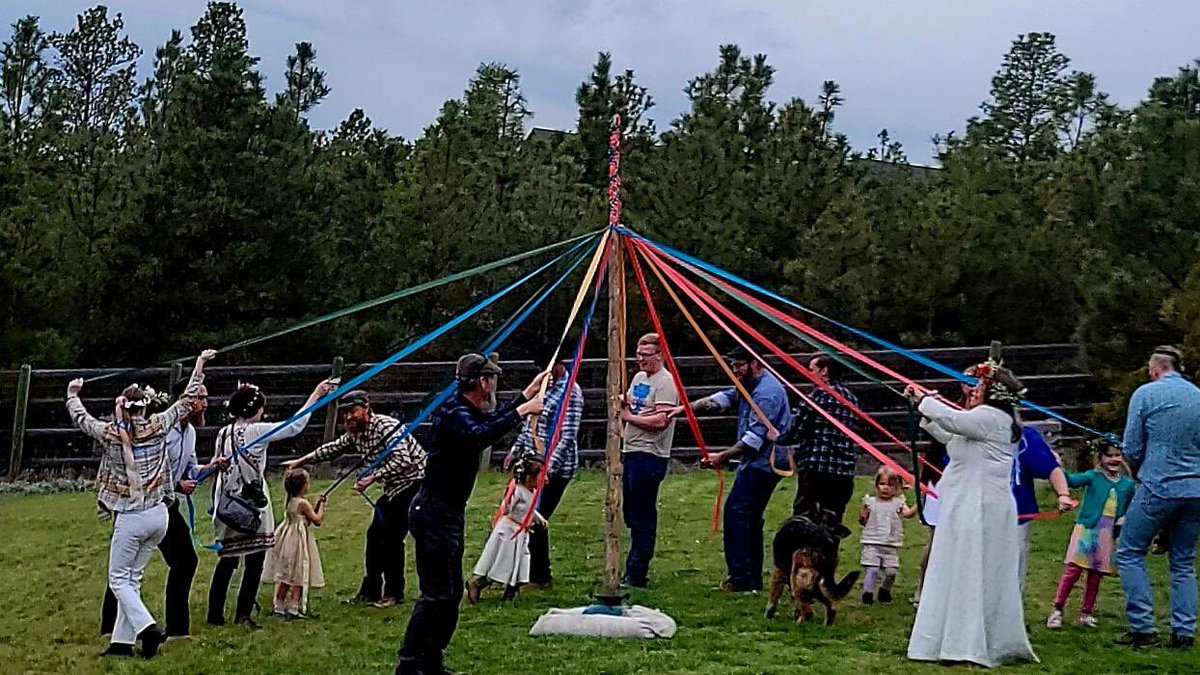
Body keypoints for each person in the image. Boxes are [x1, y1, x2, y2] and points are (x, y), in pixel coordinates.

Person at [396, 353, 544, 675]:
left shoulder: (467, 411)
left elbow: (488, 424)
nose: (494, 386)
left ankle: (432, 662)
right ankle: (409, 665)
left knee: (449, 597)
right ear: (481, 382)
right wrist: (522, 411)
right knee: (436, 595)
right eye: (492, 380)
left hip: (447, 515)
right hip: (433, 514)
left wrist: (526, 396)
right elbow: (478, 436)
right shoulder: (454, 414)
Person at [66, 349, 215, 658]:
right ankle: (121, 645)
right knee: (132, 578)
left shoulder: (110, 434)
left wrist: (72, 394)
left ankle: (148, 630)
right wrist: (199, 364)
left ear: (123, 407)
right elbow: (187, 399)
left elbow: (82, 419)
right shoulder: (160, 424)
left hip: (132, 516)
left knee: (118, 578)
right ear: (145, 407)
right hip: (160, 515)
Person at [905, 362, 1037, 668]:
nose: (973, 390)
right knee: (957, 566)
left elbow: (954, 420)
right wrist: (923, 408)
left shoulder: (989, 417)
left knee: (970, 568)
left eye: (979, 386)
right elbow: (952, 437)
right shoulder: (987, 420)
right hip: (967, 504)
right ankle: (951, 639)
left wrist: (926, 399)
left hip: (979, 507)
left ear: (994, 393)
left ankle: (966, 643)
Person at [100, 377, 224, 640]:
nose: (205, 402)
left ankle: (177, 629)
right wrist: (179, 484)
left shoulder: (189, 433)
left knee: (184, 561)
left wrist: (212, 466)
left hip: (166, 505)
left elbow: (191, 467)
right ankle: (111, 627)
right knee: (127, 569)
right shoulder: (158, 428)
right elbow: (148, 466)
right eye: (200, 397)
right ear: (186, 400)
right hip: (145, 505)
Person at [207, 378, 333, 628]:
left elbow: (216, 462)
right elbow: (294, 426)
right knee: (254, 561)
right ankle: (243, 615)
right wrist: (317, 394)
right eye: (261, 408)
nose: (263, 412)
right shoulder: (256, 431)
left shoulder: (224, 432)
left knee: (228, 560)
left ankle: (215, 615)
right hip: (251, 504)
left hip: (227, 503)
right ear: (254, 409)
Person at [285, 389, 427, 608]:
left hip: (415, 483)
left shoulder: (385, 427)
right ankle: (370, 591)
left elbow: (403, 459)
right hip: (393, 487)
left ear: (367, 408)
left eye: (353, 411)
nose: (349, 417)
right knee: (374, 537)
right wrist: (301, 461)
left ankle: (393, 593)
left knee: (391, 539)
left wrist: (372, 477)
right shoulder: (355, 433)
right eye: (345, 414)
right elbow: (332, 449)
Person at [678, 345, 792, 593]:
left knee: (737, 513)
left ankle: (741, 578)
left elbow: (755, 437)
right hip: (757, 461)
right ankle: (750, 578)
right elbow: (725, 398)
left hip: (765, 463)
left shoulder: (767, 393)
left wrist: (722, 456)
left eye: (739, 365)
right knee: (749, 517)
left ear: (755, 364)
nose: (735, 370)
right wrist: (684, 409)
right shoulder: (750, 385)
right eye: (733, 366)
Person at [1115, 345, 1200, 649]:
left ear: (1154, 369)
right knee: (1184, 561)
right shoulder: (1198, 396)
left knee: (1129, 551)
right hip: (1196, 489)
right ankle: (1184, 632)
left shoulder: (1146, 394)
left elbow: (1133, 447)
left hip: (1158, 485)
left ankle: (1143, 627)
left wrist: (1137, 470)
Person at [504, 346, 584, 587]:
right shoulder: (542, 387)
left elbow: (567, 437)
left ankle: (540, 576)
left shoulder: (571, 393)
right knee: (519, 514)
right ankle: (519, 572)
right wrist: (516, 449)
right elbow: (531, 423)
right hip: (530, 464)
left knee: (536, 517)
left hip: (554, 470)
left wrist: (547, 468)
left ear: (561, 366)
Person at [1047, 442, 1135, 629]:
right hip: (1087, 530)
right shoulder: (1093, 477)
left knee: (1096, 575)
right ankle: (1057, 609)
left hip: (1107, 533)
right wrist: (1058, 465)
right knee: (1073, 571)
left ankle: (1086, 612)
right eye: (1110, 455)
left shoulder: (1127, 485)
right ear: (1101, 458)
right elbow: (1070, 480)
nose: (1114, 459)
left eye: (1118, 455)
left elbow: (1130, 507)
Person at [619, 333, 679, 589]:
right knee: (630, 512)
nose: (640, 359)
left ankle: (637, 571)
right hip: (631, 450)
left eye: (646, 354)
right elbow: (634, 404)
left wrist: (628, 417)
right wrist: (624, 402)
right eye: (638, 354)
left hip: (650, 454)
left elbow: (660, 421)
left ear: (660, 355)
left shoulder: (666, 383)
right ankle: (634, 562)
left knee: (643, 514)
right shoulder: (639, 378)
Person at [466, 455, 548, 604]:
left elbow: (529, 509)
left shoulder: (532, 492)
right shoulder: (518, 491)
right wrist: (508, 502)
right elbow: (507, 508)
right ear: (529, 478)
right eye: (541, 477)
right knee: (502, 563)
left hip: (521, 534)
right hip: (509, 533)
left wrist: (538, 519)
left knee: (522, 562)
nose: (545, 479)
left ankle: (510, 595)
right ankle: (477, 585)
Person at [791, 355, 859, 523]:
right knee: (832, 520)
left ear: (824, 371)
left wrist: (778, 438)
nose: (808, 373)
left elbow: (796, 428)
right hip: (843, 471)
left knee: (805, 517)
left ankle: (803, 548)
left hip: (817, 469)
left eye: (811, 370)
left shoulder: (818, 396)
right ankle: (829, 549)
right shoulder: (852, 399)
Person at [264, 468, 326, 620]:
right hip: (298, 541)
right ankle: (293, 607)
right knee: (298, 573)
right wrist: (322, 505)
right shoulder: (303, 503)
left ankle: (278, 605)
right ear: (303, 485)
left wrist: (316, 504)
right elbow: (317, 520)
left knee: (286, 574)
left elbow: (308, 519)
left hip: (287, 539)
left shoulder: (291, 500)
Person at [858, 467, 917, 605]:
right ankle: (867, 594)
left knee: (891, 572)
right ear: (877, 485)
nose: (886, 488)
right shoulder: (870, 502)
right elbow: (862, 520)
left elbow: (908, 514)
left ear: (897, 488)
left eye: (891, 485)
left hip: (891, 545)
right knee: (872, 570)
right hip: (872, 543)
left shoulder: (898, 503)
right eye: (882, 484)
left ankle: (885, 591)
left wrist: (919, 505)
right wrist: (863, 514)